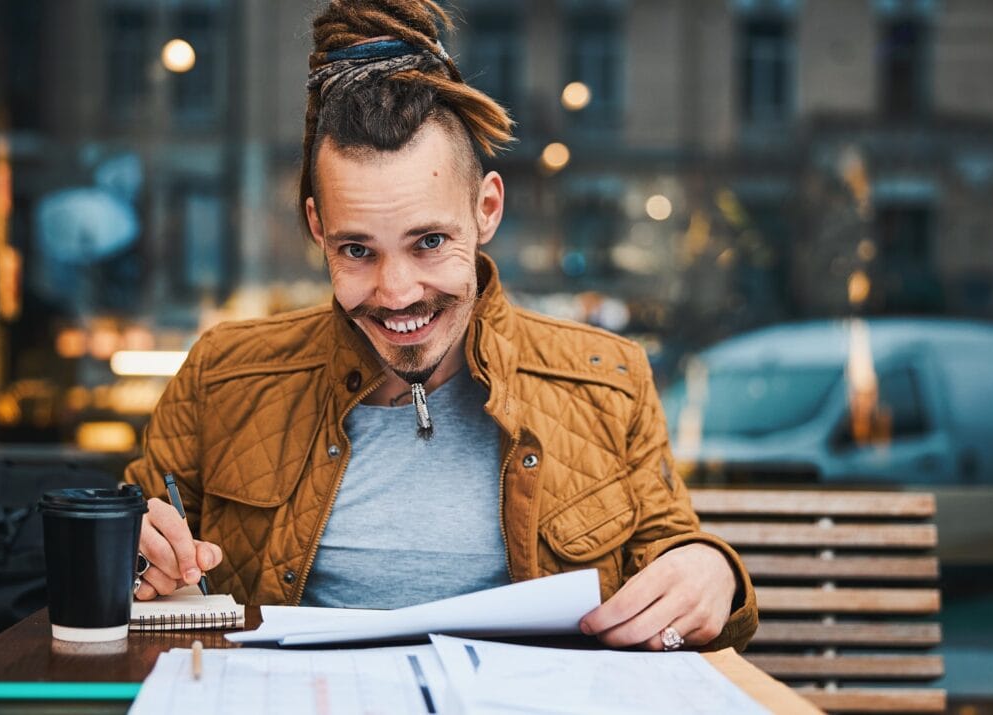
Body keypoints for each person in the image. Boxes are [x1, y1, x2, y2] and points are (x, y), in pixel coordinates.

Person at [124, 0, 757, 653]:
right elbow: (127, 558)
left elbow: (671, 552)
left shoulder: (608, 379)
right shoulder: (223, 374)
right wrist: (131, 554)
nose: (397, 293)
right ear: (317, 227)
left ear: (487, 209)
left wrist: (711, 571)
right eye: (357, 250)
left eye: (428, 241)